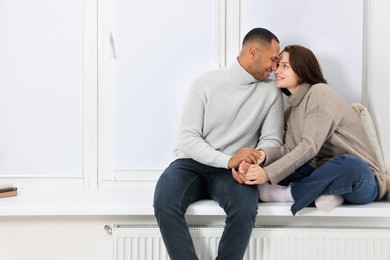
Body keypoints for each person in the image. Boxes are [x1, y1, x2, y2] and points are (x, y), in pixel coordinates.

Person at [153, 28, 284, 260]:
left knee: (245, 209)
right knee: (164, 201)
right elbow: (187, 137)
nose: (275, 68)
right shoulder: (205, 83)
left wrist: (253, 160)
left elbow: (272, 140)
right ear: (253, 51)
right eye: (273, 60)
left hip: (232, 172)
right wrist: (228, 159)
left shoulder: (270, 93)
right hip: (190, 163)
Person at [233, 44, 390, 215]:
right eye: (278, 65)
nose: (277, 70)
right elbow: (289, 150)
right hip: (322, 171)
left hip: (363, 180)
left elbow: (309, 147)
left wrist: (268, 174)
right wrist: (262, 157)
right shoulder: (292, 111)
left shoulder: (319, 93)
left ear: (301, 71)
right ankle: (327, 192)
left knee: (348, 164)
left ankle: (291, 194)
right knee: (295, 167)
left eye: (284, 66)